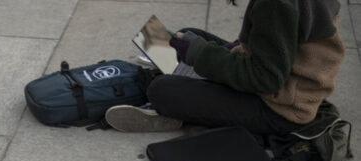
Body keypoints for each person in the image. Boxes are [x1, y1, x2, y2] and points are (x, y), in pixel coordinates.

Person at [104, 0, 346, 135]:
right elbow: (283, 46)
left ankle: (179, 113)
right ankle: (195, 88)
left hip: (282, 110)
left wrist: (200, 54)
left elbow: (266, 79)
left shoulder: (275, 5)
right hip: (289, 81)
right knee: (189, 36)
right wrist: (213, 49)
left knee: (162, 90)